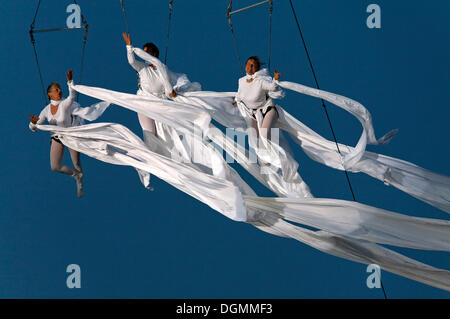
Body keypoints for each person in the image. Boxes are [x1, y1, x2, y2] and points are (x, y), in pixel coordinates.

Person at [28, 69, 83, 198]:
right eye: (56, 89)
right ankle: (74, 175)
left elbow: (71, 97)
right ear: (49, 94)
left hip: (70, 135)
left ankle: (79, 179)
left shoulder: (64, 104)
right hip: (57, 138)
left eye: (59, 89)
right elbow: (34, 128)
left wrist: (70, 82)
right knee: (55, 166)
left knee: (76, 163)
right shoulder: (46, 110)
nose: (59, 91)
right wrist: (33, 123)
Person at [122, 33, 176, 137]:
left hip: (159, 104)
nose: (144, 54)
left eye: (146, 52)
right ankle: (151, 150)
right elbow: (132, 61)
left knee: (164, 135)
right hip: (144, 102)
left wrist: (171, 93)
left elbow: (166, 83)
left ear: (154, 53)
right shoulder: (142, 67)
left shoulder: (162, 68)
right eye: (143, 52)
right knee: (149, 133)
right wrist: (129, 47)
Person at [233, 56, 283, 140]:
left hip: (268, 110)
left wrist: (275, 80)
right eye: (248, 64)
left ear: (257, 69)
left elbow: (272, 87)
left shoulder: (260, 81)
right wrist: (234, 101)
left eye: (253, 65)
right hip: (253, 114)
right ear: (245, 66)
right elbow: (240, 93)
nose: (250, 67)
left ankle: (274, 150)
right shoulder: (241, 81)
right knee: (254, 139)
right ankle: (265, 151)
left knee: (264, 134)